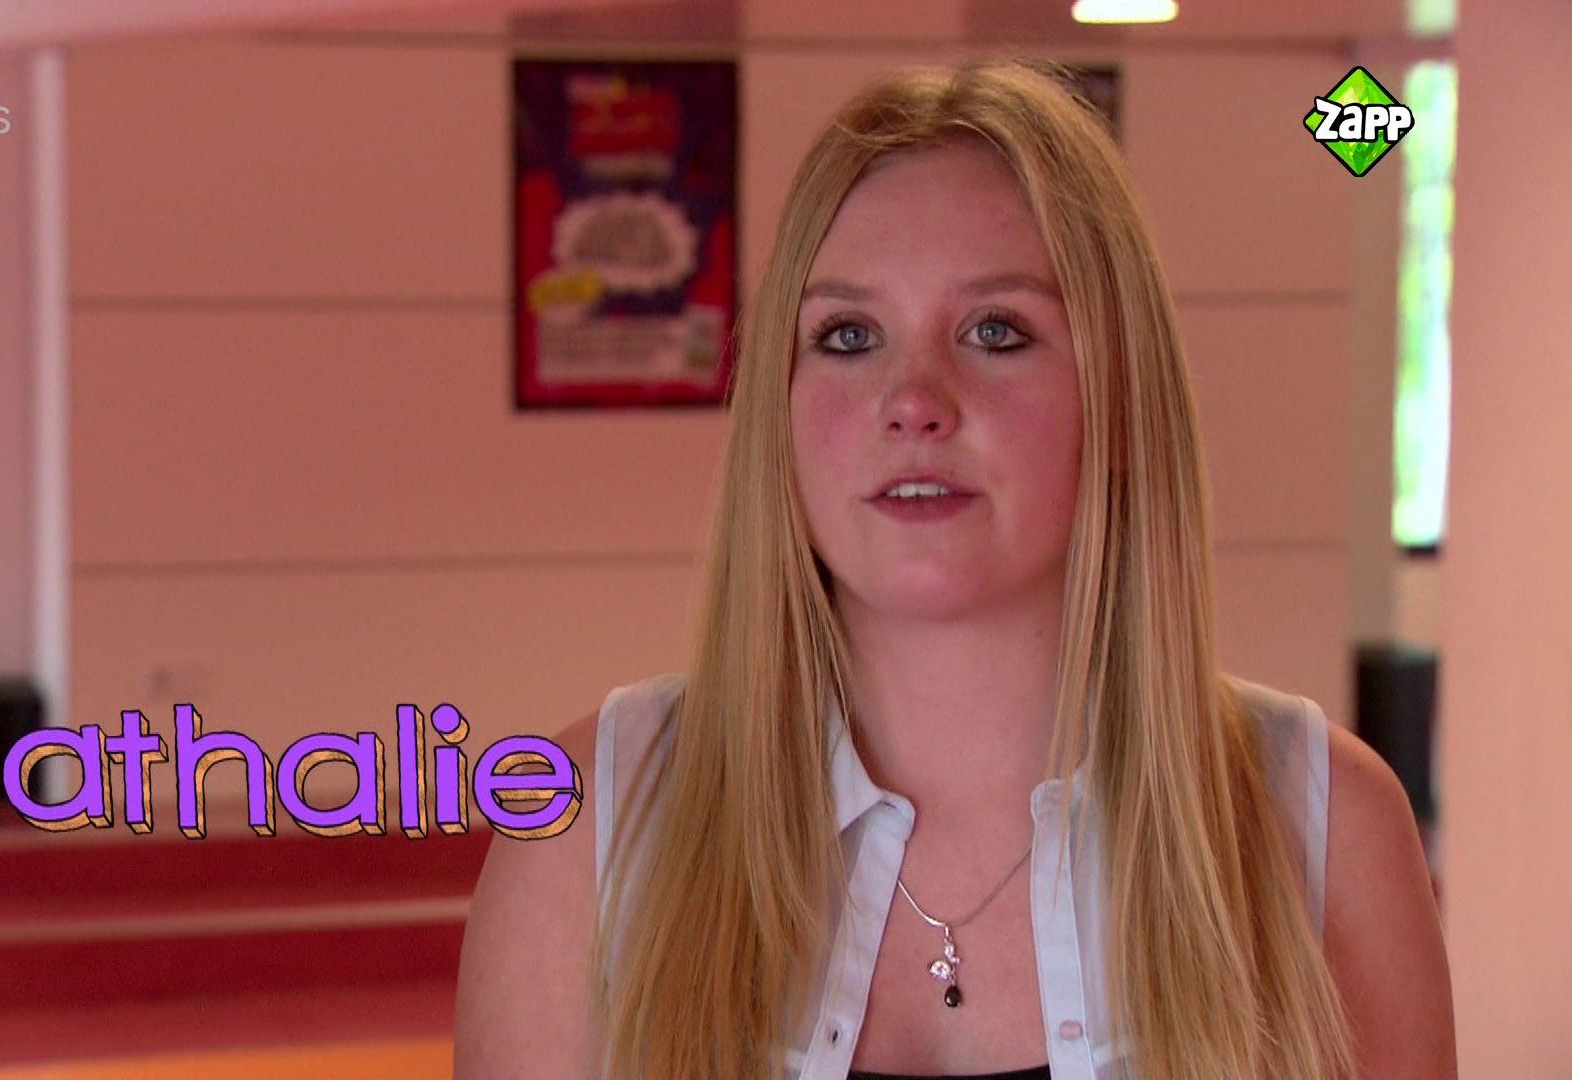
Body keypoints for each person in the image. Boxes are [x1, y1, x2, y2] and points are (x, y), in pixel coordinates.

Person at [454, 59, 1455, 1080]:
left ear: (1119, 400)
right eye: (848, 335)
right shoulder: (587, 827)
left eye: (995, 331)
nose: (913, 401)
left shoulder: (1325, 827)